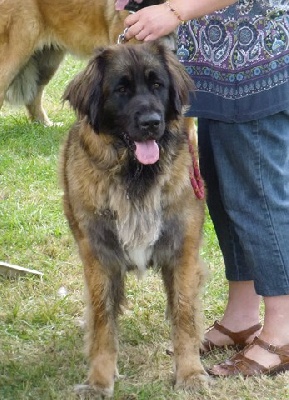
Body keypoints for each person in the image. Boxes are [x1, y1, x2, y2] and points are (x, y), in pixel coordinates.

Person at [118, 0, 289, 376]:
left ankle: (283, 327)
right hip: (216, 66)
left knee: (257, 197)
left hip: (254, 59)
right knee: (228, 199)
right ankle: (242, 314)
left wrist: (175, 11)